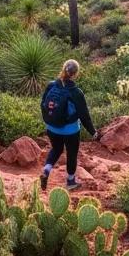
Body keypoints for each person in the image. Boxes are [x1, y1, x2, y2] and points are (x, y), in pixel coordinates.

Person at [40, 59, 98, 191]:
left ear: (63, 69)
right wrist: (93, 132)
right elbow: (84, 115)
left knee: (56, 149)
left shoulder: (51, 85)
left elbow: (43, 104)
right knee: (71, 154)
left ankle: (46, 171)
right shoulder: (76, 92)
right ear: (75, 74)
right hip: (70, 131)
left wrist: (48, 120)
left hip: (52, 128)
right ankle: (71, 181)